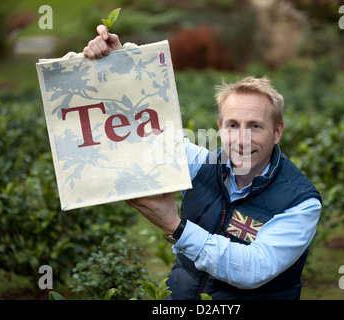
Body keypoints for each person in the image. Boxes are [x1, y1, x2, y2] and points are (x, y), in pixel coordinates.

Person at [83, 25, 322, 300]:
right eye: (233, 125)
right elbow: (140, 134)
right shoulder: (200, 164)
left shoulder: (300, 202)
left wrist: (176, 226)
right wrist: (114, 71)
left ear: (277, 132)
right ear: (220, 127)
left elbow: (254, 268)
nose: (242, 139)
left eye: (255, 126)